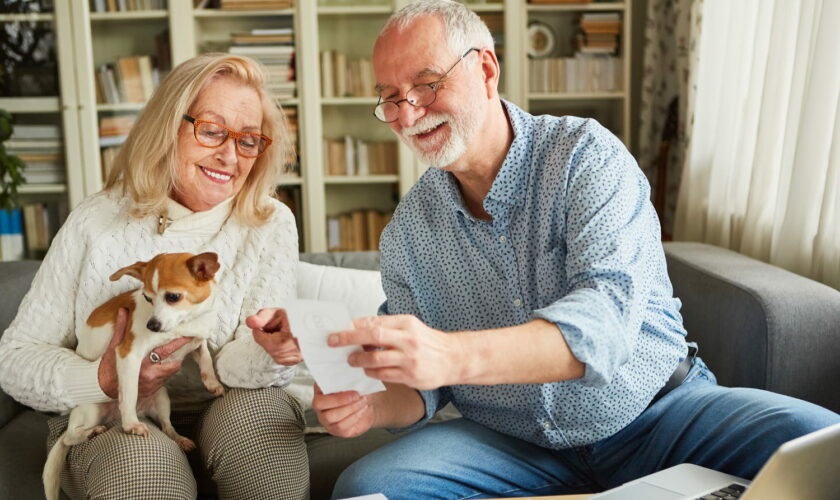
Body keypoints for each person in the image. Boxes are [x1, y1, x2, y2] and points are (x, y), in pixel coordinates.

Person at [300, 1, 840, 499]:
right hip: (510, 444)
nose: (408, 113)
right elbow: (425, 390)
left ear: (486, 69)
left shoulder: (585, 157)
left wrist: (450, 353)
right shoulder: (407, 233)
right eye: (390, 96)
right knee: (367, 487)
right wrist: (370, 406)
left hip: (658, 413)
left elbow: (601, 327)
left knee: (821, 443)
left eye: (426, 84)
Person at [0, 53, 308, 500]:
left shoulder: (269, 221)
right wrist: (102, 381)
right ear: (169, 127)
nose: (229, 154)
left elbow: (238, 363)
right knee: (141, 468)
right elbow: (14, 358)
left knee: (259, 429)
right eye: (212, 130)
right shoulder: (97, 219)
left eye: (248, 140)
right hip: (110, 411)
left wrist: (271, 351)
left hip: (226, 400)